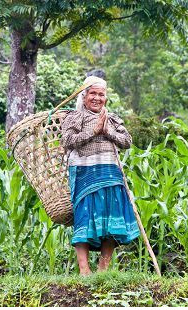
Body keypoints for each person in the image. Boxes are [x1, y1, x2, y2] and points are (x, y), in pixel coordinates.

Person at [61, 75, 140, 275]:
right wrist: (94, 131)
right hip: (85, 173)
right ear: (84, 96)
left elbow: (126, 141)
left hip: (111, 173)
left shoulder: (112, 119)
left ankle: (103, 269)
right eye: (93, 93)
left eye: (101, 94)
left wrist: (107, 131)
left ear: (106, 97)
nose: (97, 98)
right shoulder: (74, 117)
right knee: (84, 217)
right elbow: (68, 141)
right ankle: (84, 270)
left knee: (111, 217)